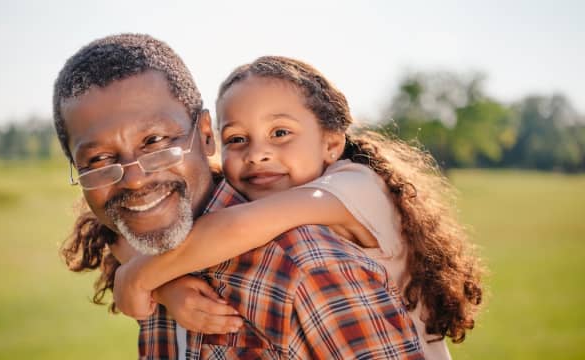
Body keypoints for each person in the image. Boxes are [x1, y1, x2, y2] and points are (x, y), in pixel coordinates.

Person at [53, 34, 424, 359]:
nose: (133, 181)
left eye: (154, 141)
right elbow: (114, 234)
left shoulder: (309, 260)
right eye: (99, 159)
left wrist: (138, 278)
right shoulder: (157, 241)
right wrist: (162, 284)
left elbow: (238, 226)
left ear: (204, 135)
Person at [113, 56, 484, 358]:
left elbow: (237, 227)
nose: (257, 154)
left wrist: (141, 277)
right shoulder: (245, 193)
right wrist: (170, 287)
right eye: (237, 139)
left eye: (280, 133)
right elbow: (122, 230)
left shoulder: (356, 186)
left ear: (331, 143)